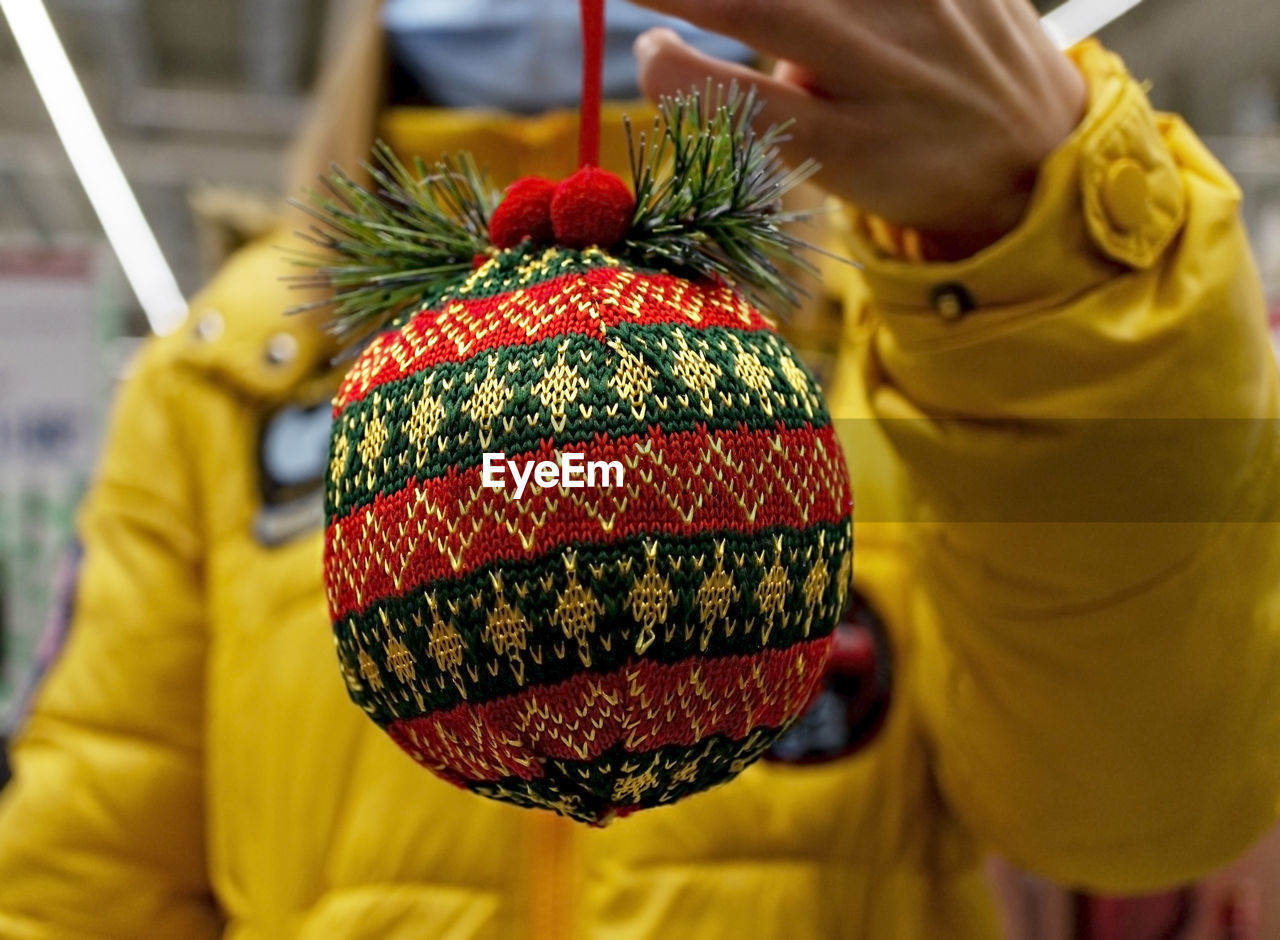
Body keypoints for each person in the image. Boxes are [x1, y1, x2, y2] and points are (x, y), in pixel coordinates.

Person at [1, 0, 1278, 937]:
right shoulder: (235, 374)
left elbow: (1137, 814)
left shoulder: (916, 321)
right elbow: (89, 874)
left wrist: (1038, 256)